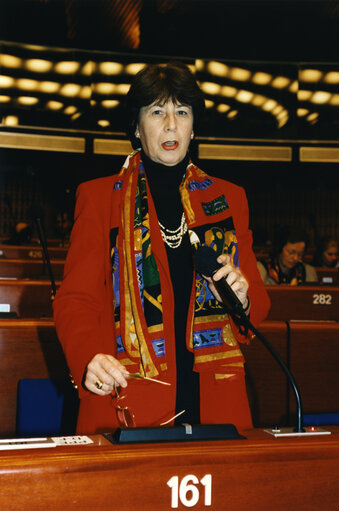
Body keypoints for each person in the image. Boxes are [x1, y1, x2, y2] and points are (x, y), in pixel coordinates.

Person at [53, 61, 270, 435]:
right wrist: (88, 357)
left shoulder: (228, 199)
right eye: (157, 111)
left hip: (215, 402)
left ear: (193, 126)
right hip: (129, 397)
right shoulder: (99, 197)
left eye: (182, 112)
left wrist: (243, 298)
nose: (171, 124)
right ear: (137, 128)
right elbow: (75, 299)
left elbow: (257, 302)